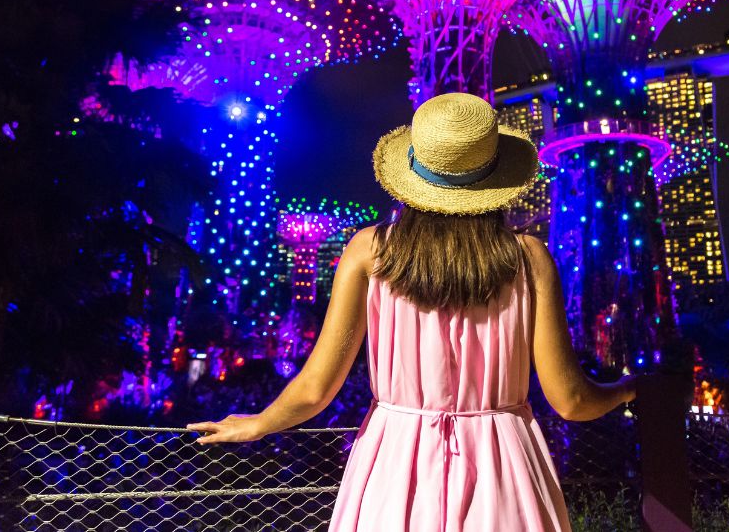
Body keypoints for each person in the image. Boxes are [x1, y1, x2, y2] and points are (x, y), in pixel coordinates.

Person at [187, 92, 638, 531]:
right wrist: (629, 390)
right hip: (504, 468)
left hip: (396, 465)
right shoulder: (529, 259)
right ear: (496, 179)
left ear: (413, 174)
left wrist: (260, 424)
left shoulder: (369, 251)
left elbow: (316, 389)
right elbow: (571, 400)